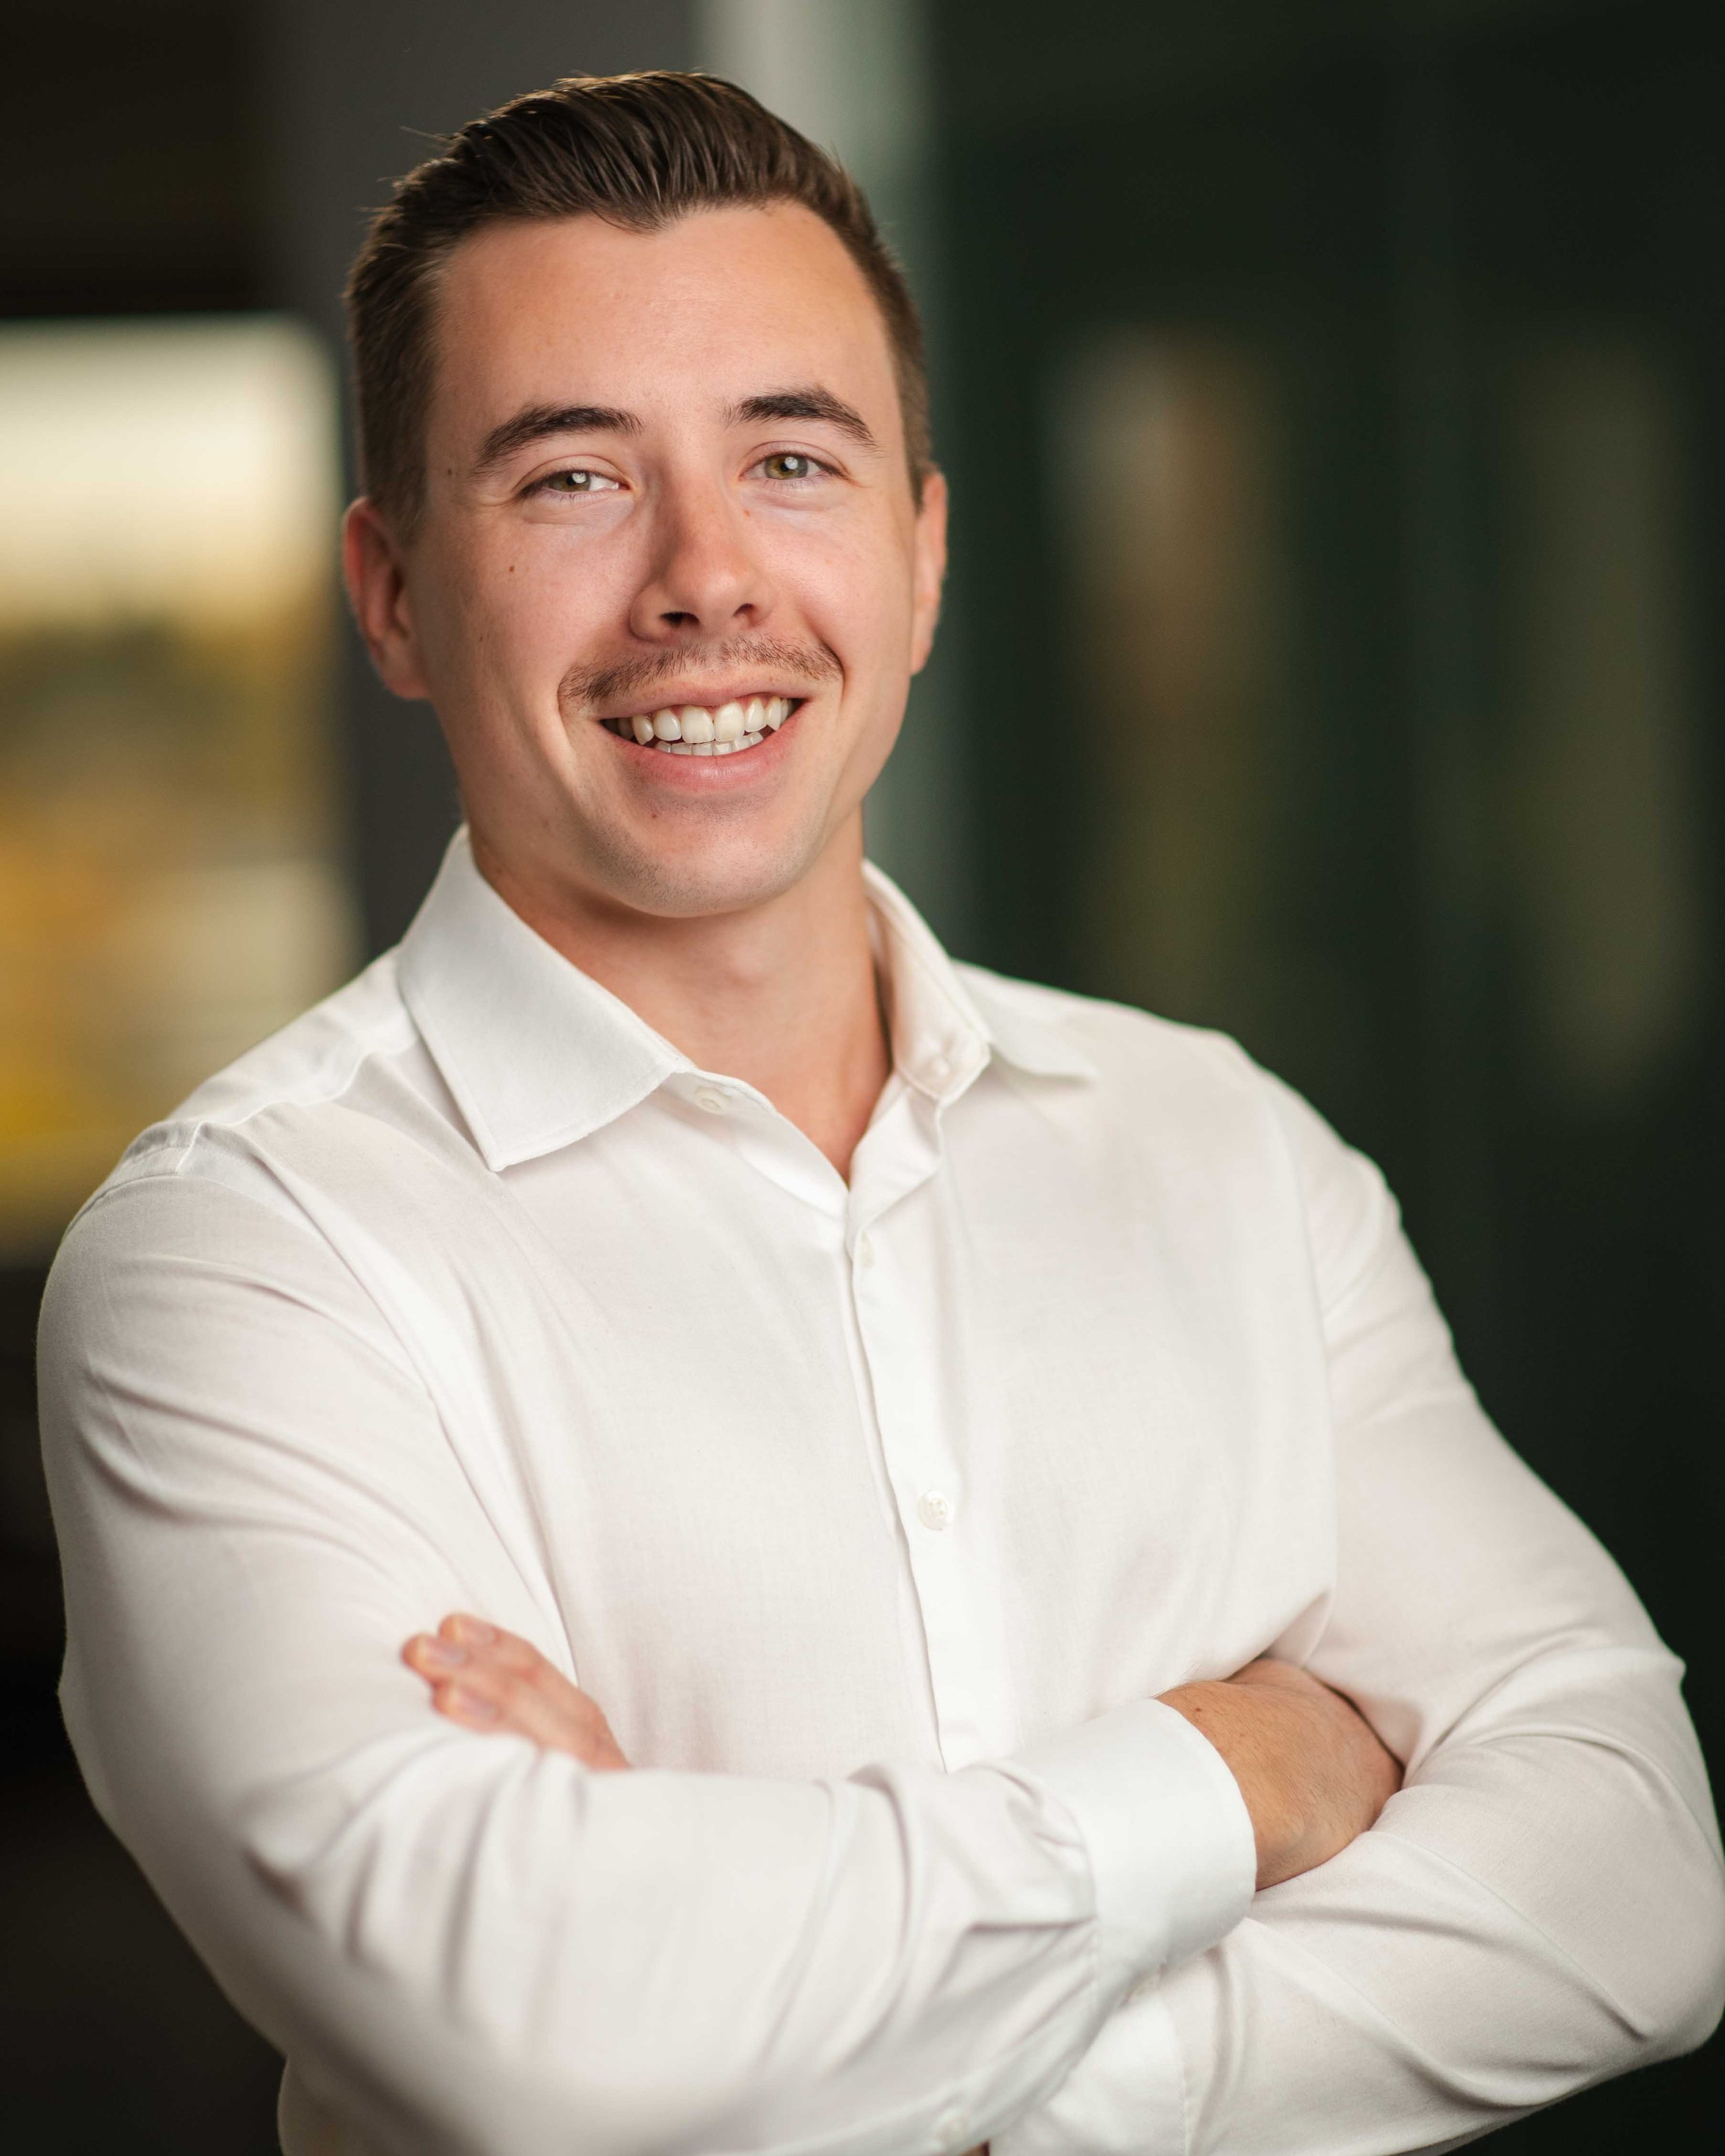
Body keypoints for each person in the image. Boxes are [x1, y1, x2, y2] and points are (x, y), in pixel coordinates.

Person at [37, 70, 1722, 2156]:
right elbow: (519, 2041)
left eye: (791, 457)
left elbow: (1636, 1879)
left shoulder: (1222, 1156)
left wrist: (852, 2046)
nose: (702, 579)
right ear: (390, 593)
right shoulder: (242, 1257)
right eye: (572, 479)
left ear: (922, 553)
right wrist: (1227, 1778)